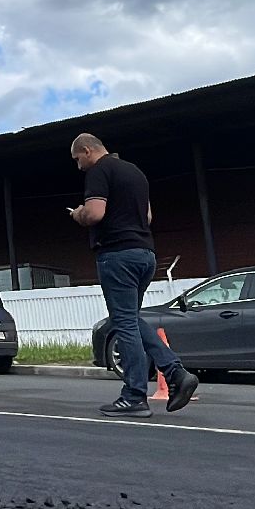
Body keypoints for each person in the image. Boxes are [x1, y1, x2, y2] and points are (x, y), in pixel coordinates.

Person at [68, 132, 199, 418]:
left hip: (118, 255)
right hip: (145, 254)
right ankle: (176, 373)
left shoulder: (99, 171)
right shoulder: (135, 172)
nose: (79, 166)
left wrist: (78, 214)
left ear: (88, 151)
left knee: (124, 324)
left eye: (78, 160)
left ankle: (134, 396)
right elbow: (148, 217)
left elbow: (95, 214)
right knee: (129, 319)